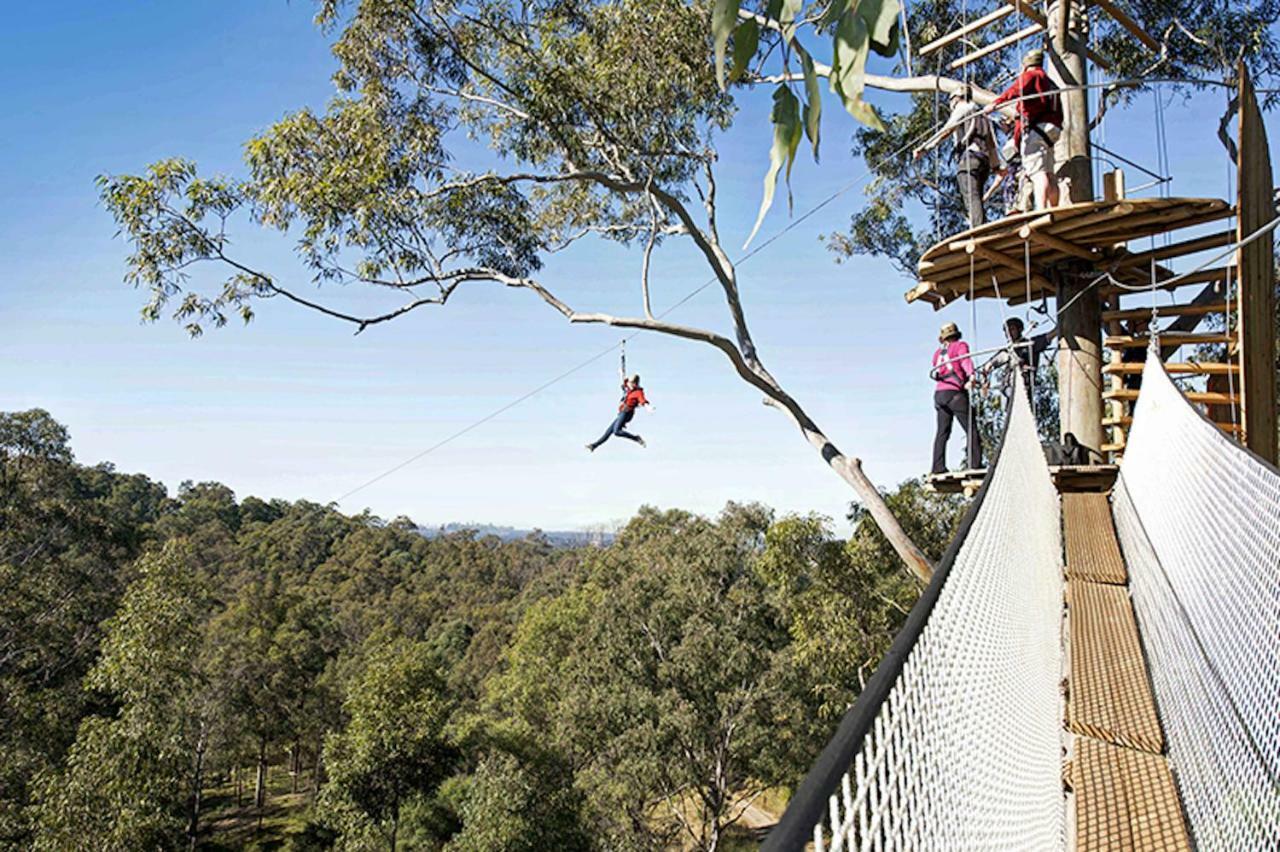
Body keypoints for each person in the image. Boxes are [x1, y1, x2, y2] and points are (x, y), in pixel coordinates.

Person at [986, 48, 1062, 210]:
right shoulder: (1051, 83)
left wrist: (996, 103)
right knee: (1049, 172)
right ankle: (1055, 208)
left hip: (1037, 129)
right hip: (1053, 130)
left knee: (1037, 173)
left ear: (1026, 64)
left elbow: (1015, 90)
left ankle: (1041, 209)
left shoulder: (1032, 76)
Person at [913, 85, 999, 228]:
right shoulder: (982, 115)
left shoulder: (963, 108)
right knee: (976, 196)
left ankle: (979, 228)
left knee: (970, 195)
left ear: (955, 100)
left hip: (970, 158)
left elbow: (947, 130)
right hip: (984, 161)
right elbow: (991, 144)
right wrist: (996, 165)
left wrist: (924, 148)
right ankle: (981, 225)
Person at [930, 321, 982, 474]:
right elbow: (965, 360)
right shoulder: (960, 346)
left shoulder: (937, 353)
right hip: (955, 393)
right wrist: (971, 376)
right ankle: (975, 465)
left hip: (939, 395)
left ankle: (937, 467)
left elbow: (937, 369)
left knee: (942, 432)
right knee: (971, 429)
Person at [975, 317, 1057, 399]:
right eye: (1006, 331)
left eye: (1012, 329)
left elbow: (1048, 337)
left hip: (1023, 387)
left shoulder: (1030, 345)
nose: (1009, 333)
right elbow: (997, 360)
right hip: (1008, 388)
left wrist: (1060, 327)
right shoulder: (1008, 350)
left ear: (1020, 330)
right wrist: (987, 369)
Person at [586, 373, 651, 452]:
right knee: (608, 432)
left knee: (616, 431)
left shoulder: (638, 392)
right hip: (621, 413)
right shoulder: (628, 388)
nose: (629, 384)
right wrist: (621, 373)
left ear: (635, 384)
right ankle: (594, 446)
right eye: (629, 383)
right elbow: (624, 380)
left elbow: (643, 400)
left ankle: (636, 438)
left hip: (627, 413)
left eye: (631, 383)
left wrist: (648, 407)